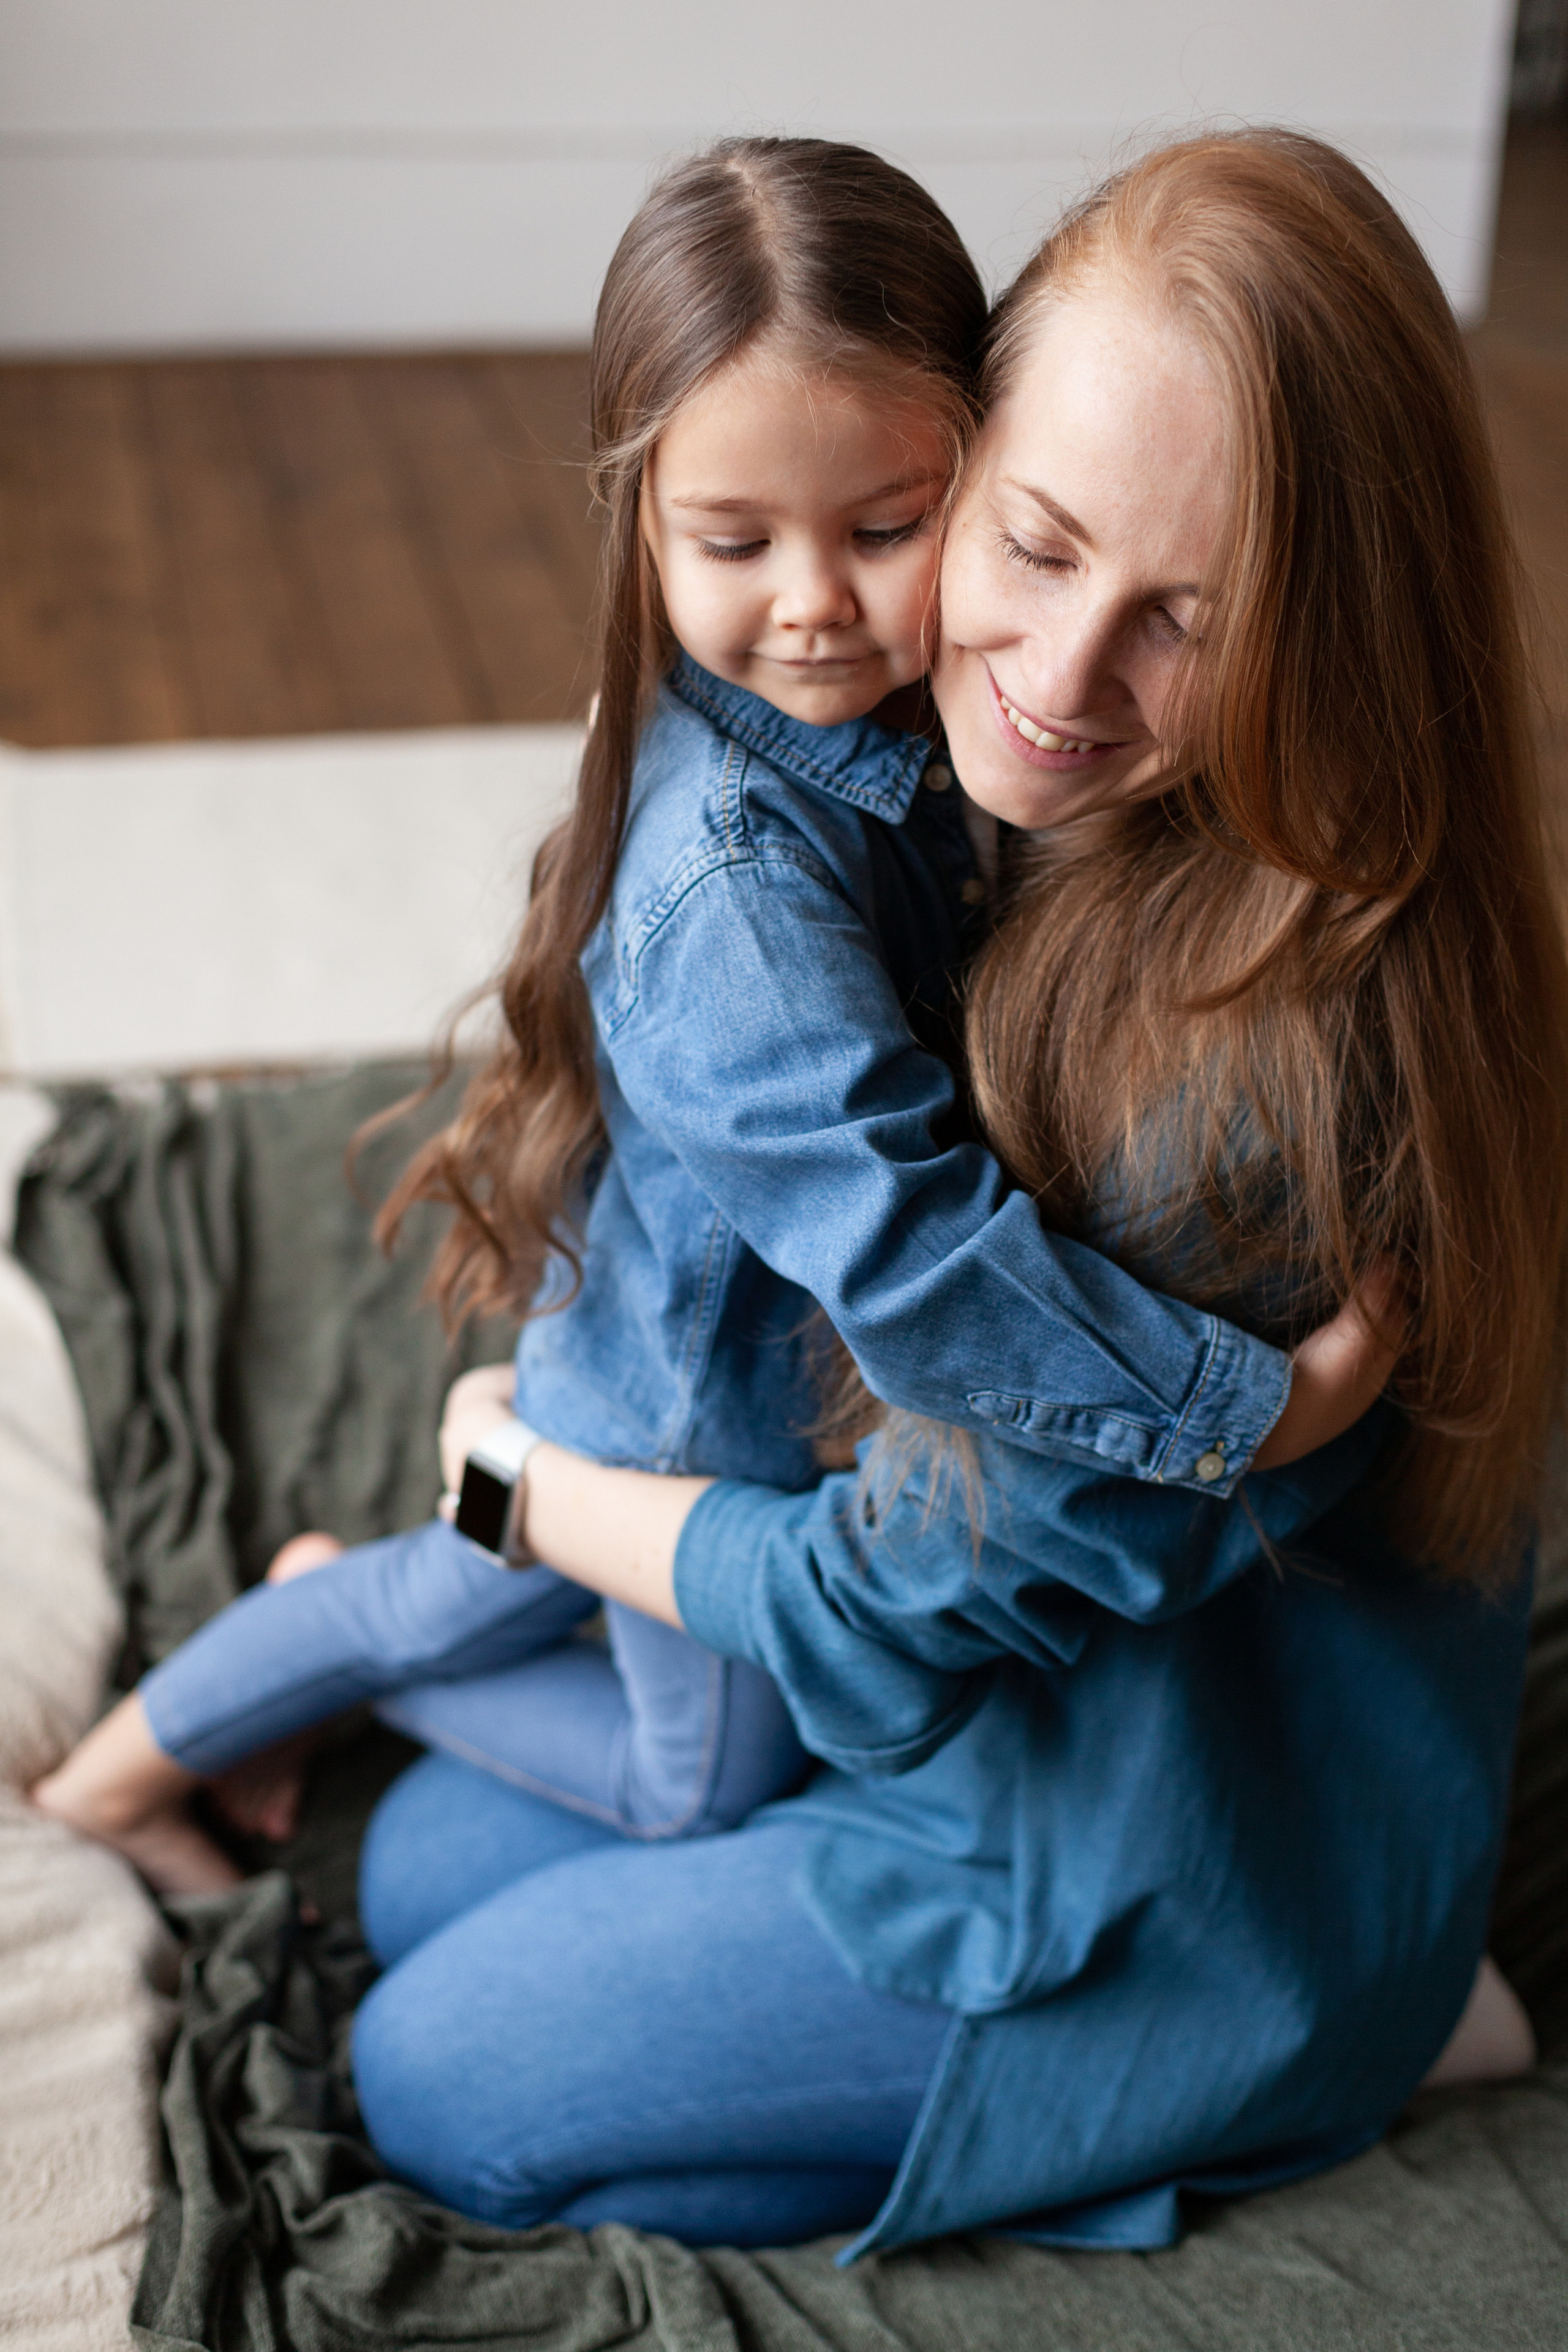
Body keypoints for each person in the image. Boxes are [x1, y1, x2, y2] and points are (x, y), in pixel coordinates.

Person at [40, 127, 1559, 2252]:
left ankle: (1325, 2038)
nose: (1046, 675)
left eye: (1182, 620)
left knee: (441, 2089)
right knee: (403, 1874)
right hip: (987, 1682)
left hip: (1133, 1844)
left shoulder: (1248, 1089)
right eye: (1026, 543)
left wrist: (525, 1496)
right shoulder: (973, 782)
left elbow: (896, 1574)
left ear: (1328, 630)